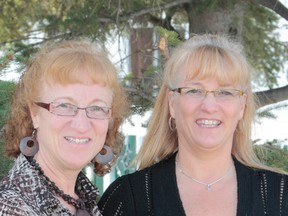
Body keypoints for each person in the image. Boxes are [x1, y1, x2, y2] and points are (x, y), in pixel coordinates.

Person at [98, 34, 288, 216]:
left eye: (225, 92)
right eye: (195, 90)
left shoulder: (280, 197)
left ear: (242, 106)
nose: (209, 106)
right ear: (172, 103)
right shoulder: (128, 199)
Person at [0, 39, 128, 215]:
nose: (81, 125)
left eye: (97, 108)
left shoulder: (82, 201)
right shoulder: (10, 207)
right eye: (64, 106)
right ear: (34, 114)